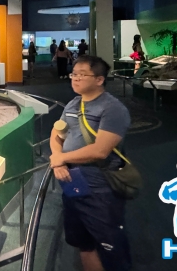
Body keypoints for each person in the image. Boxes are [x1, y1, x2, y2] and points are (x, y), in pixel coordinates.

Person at [50, 55, 132, 271]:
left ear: (99, 79)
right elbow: (56, 133)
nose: (75, 78)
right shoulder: (73, 104)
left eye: (82, 74)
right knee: (83, 243)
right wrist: (58, 160)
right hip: (72, 182)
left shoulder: (112, 109)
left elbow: (100, 151)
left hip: (100, 187)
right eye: (73, 74)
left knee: (110, 245)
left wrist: (62, 158)